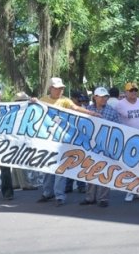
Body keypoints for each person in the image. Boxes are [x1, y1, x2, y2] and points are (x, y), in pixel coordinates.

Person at [35, 77, 99, 206]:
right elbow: (34, 110)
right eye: (58, 88)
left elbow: (75, 108)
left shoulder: (64, 101)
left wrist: (90, 113)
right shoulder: (43, 100)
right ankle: (47, 192)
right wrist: (33, 101)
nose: (60, 90)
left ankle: (59, 196)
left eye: (61, 88)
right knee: (47, 168)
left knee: (60, 168)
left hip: (62, 140)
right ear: (51, 88)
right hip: (47, 139)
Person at [79, 87, 121, 208]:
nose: (104, 99)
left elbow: (119, 129)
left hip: (105, 146)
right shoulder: (87, 110)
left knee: (104, 171)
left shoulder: (112, 111)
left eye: (105, 96)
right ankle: (90, 197)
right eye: (101, 96)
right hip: (90, 145)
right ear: (95, 97)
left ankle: (103, 198)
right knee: (90, 171)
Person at [116, 82, 139, 201]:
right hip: (128, 138)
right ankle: (130, 190)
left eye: (135, 90)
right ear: (126, 92)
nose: (133, 93)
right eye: (131, 91)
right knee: (130, 165)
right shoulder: (120, 104)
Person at [10, 91, 39, 191]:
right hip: (20, 138)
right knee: (20, 161)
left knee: (16, 162)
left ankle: (16, 182)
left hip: (17, 137)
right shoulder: (20, 111)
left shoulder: (14, 110)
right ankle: (25, 183)